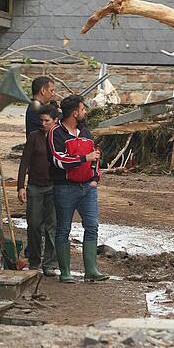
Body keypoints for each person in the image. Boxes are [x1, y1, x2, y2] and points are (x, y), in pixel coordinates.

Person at [47, 95, 108, 283]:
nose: (85, 112)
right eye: (83, 109)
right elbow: (58, 159)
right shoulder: (56, 133)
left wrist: (95, 178)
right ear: (75, 112)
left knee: (92, 226)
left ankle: (91, 270)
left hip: (87, 188)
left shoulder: (85, 132)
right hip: (65, 188)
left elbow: (95, 156)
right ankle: (65, 272)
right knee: (63, 228)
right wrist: (84, 159)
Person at [18, 104, 60, 276]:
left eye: (46, 121)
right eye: (41, 120)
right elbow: (24, 162)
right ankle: (35, 261)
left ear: (55, 121)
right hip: (35, 186)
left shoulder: (60, 137)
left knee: (52, 226)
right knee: (34, 225)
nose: (43, 123)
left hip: (54, 187)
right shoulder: (34, 137)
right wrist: (21, 186)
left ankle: (49, 264)